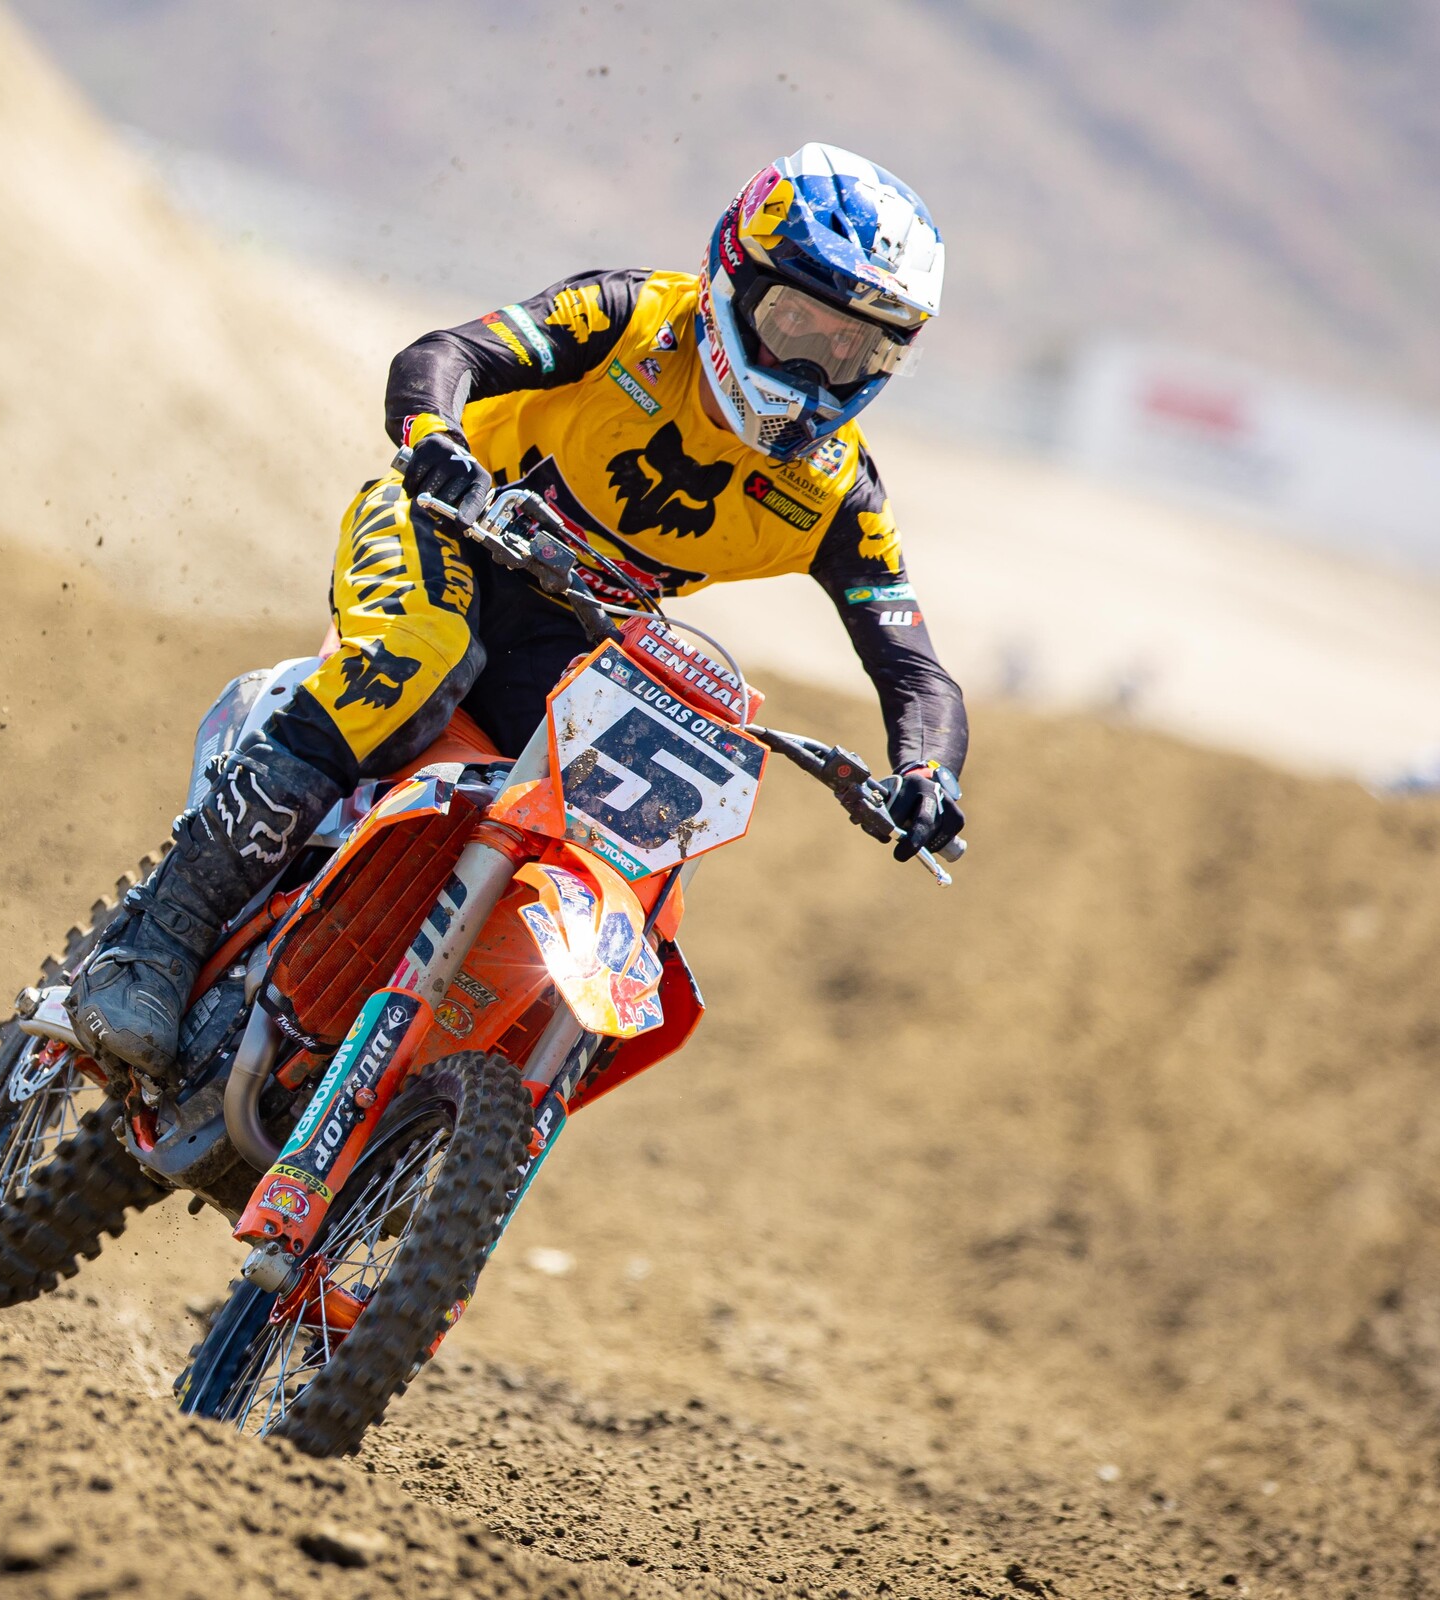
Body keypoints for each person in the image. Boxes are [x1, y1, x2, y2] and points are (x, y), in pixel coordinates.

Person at [71, 142, 968, 1089]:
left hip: (573, 633)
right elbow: (444, 355)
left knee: (618, 824)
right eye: (799, 322)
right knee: (420, 657)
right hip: (445, 528)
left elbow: (913, 665)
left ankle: (411, 1062)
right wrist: (435, 440)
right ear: (736, 278)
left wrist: (928, 770)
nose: (818, 366)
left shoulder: (837, 492)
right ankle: (155, 944)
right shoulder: (631, 316)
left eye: (856, 348)